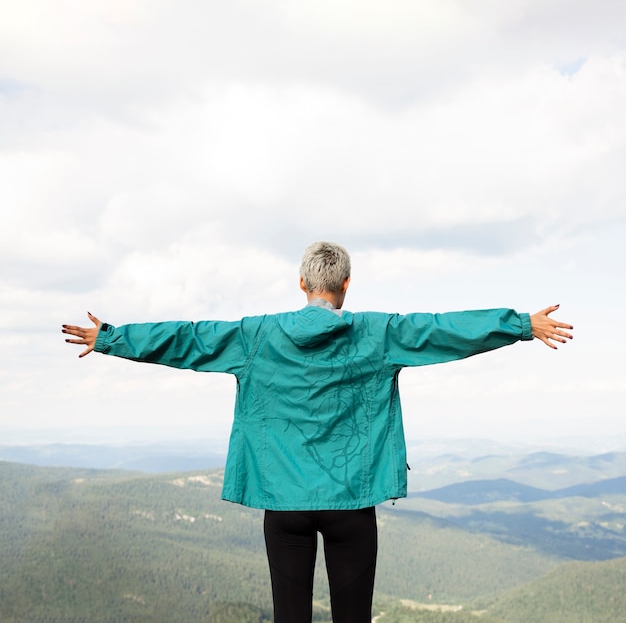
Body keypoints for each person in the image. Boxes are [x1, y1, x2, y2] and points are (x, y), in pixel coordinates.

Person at [62, 241, 573, 623]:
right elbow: (441, 328)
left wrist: (111, 338)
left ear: (301, 284)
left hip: (284, 507)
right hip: (352, 505)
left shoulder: (255, 336)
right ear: (347, 285)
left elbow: (187, 339)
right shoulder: (378, 333)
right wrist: (520, 325)